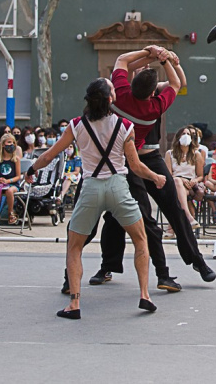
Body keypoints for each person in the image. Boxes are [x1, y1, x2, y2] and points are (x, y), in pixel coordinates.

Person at [26, 78, 162, 319]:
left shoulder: (77, 125)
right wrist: (156, 177)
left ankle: (75, 304)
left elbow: (49, 155)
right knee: (141, 240)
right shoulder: (124, 125)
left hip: (90, 187)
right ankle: (144, 295)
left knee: (74, 246)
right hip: (118, 187)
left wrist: (31, 170)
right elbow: (136, 166)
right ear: (111, 99)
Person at [90, 46, 215, 294]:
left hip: (151, 159)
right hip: (128, 163)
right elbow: (176, 83)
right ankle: (109, 266)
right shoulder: (147, 99)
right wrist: (162, 56)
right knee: (118, 217)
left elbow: (176, 79)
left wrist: (158, 55)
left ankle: (197, 261)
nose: (145, 68)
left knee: (175, 210)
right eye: (143, 68)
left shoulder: (138, 93)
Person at [166, 125, 205, 229]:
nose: (186, 136)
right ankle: (189, 217)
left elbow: (201, 176)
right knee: (177, 181)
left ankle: (171, 227)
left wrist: (194, 180)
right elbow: (169, 175)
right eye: (183, 134)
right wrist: (180, 179)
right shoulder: (169, 154)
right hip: (175, 182)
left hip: (190, 185)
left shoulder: (196, 154)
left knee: (177, 192)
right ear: (178, 137)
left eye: (188, 134)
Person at [0, 132, 22, 225]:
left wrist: (8, 181)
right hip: (1, 184)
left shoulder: (16, 159)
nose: (11, 145)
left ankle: (10, 213)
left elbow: (18, 176)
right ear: (3, 144)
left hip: (12, 184)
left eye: (13, 143)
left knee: (9, 191)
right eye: (9, 142)